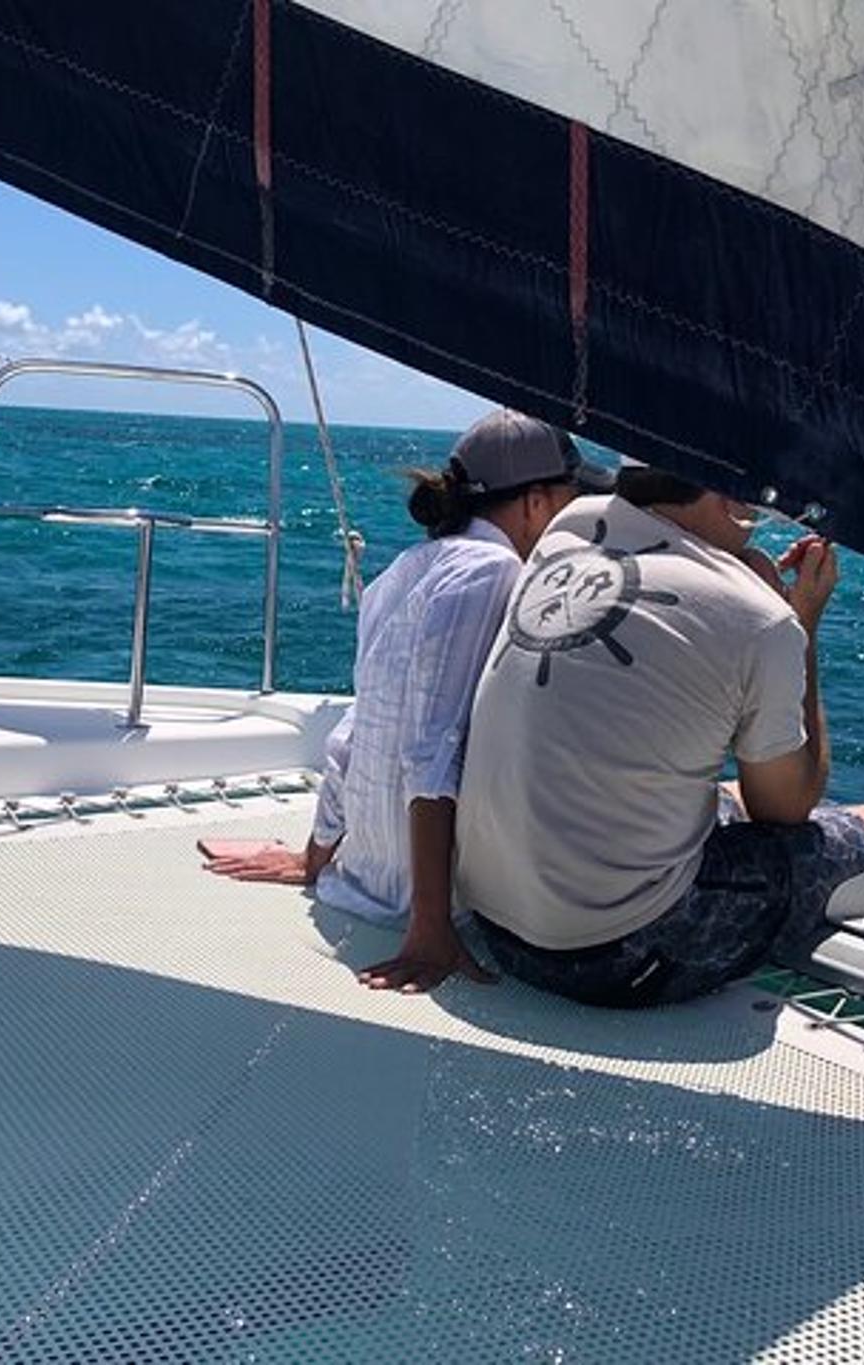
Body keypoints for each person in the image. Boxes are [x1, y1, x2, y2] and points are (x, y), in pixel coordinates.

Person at [452, 460, 864, 1007]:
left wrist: (751, 578)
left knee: (727, 794)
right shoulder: (762, 621)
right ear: (726, 498)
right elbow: (785, 811)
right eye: (755, 507)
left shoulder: (572, 525)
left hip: (492, 925)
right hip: (615, 955)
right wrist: (802, 623)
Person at [201, 409, 613, 992]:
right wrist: (429, 925)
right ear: (536, 504)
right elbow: (433, 751)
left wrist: (315, 862)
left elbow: (355, 730)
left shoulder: (405, 569)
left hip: (364, 880)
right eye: (572, 499)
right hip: (426, 904)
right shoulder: (493, 571)